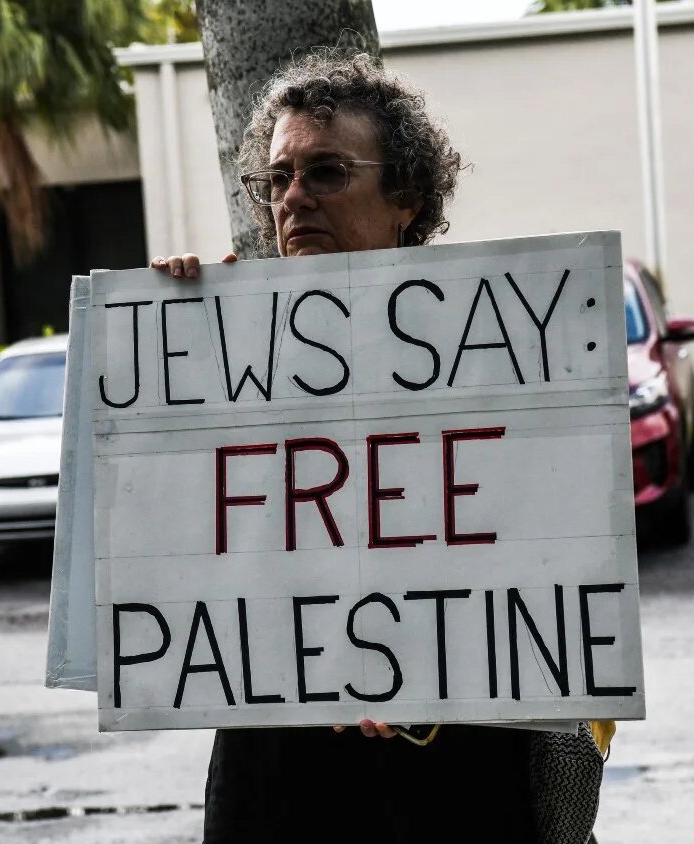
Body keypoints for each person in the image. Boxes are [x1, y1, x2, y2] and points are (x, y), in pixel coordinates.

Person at [151, 50, 606, 843]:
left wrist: (432, 671)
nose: (294, 199)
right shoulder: (222, 355)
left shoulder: (499, 355)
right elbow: (180, 547)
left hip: (454, 771)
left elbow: (545, 576)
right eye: (278, 179)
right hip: (277, 773)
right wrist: (166, 341)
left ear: (408, 198)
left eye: (326, 172)